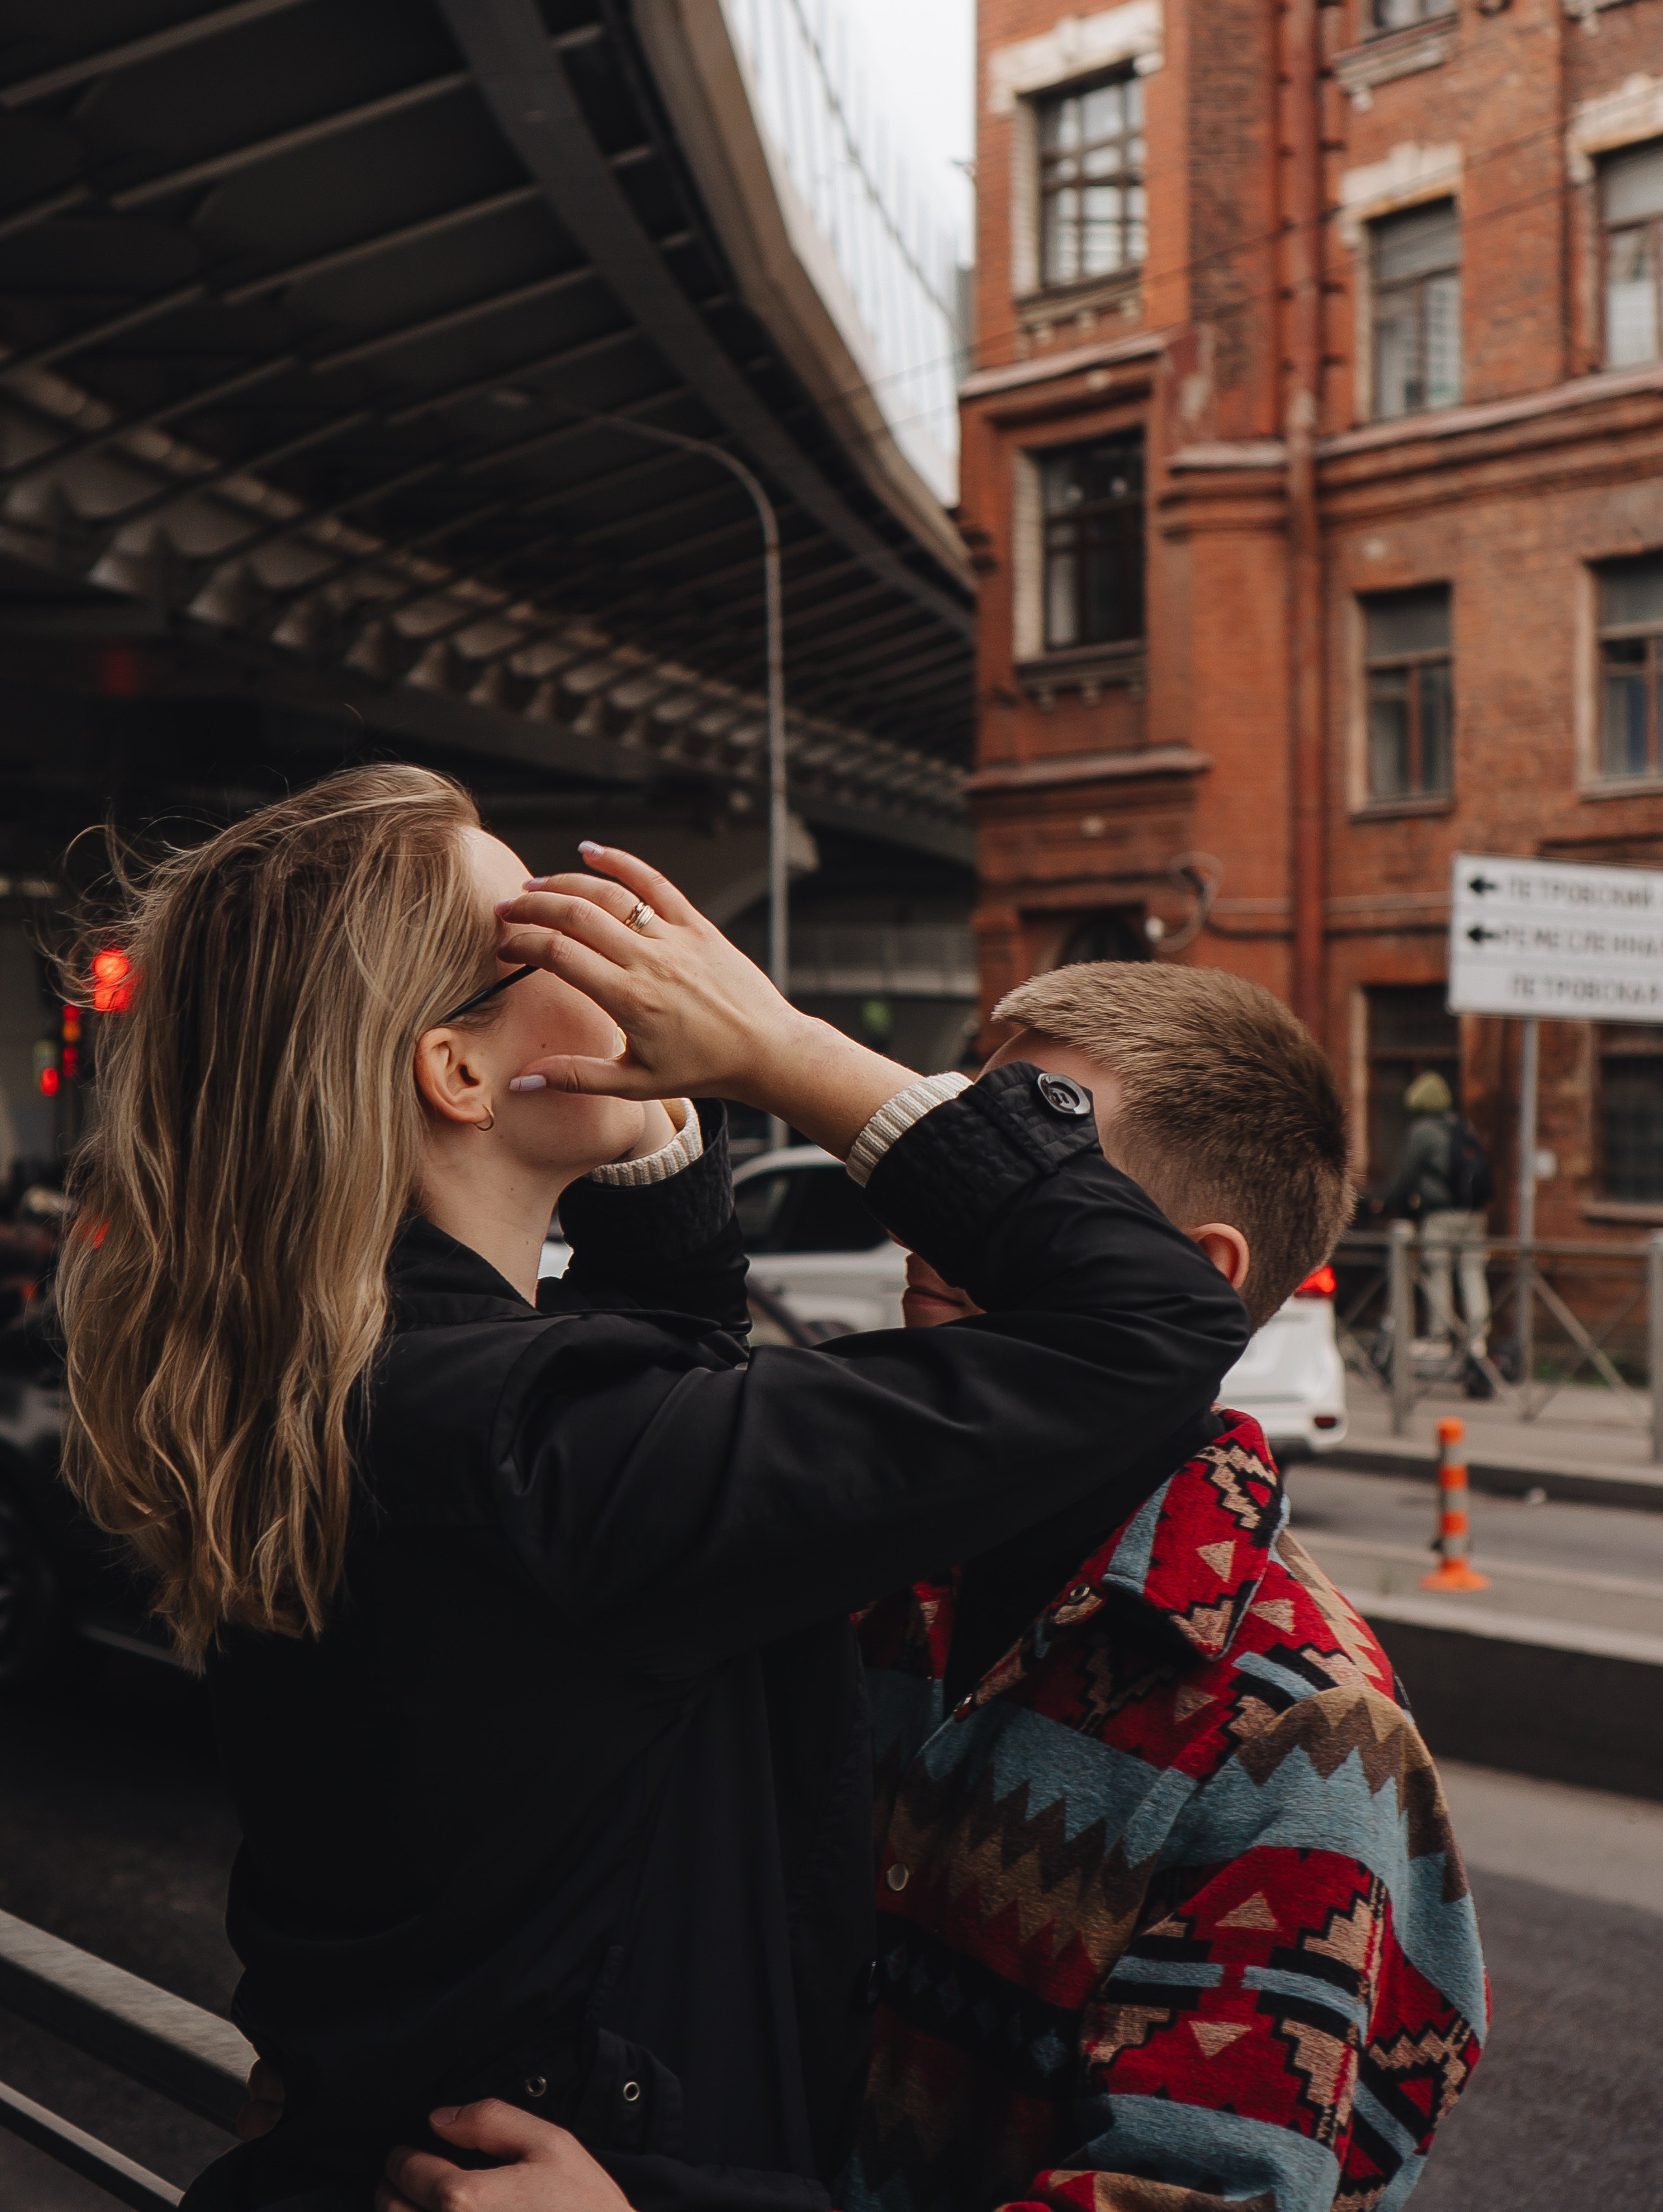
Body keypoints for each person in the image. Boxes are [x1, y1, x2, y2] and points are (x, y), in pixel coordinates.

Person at [58, 765, 1249, 2212]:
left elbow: (680, 1431)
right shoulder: (537, 1447)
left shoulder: (380, 1386)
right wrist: (788, 1051)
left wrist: (658, 1131)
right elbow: (1155, 1322)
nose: (622, 937)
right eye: (550, 931)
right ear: (455, 1072)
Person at [366, 963, 1486, 2212]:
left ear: (1188, 1277)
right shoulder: (876, 1563)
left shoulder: (1307, 1739)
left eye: (1021, 1185)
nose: (929, 1222)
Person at [1380, 1070, 1493, 1375]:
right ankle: (1477, 1339)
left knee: (1437, 1271)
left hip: (1440, 1215)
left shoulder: (1423, 1131)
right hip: (1474, 1214)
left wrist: (1386, 1202)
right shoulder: (1461, 1126)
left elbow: (1406, 1174)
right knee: (1472, 1272)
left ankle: (1440, 1337)